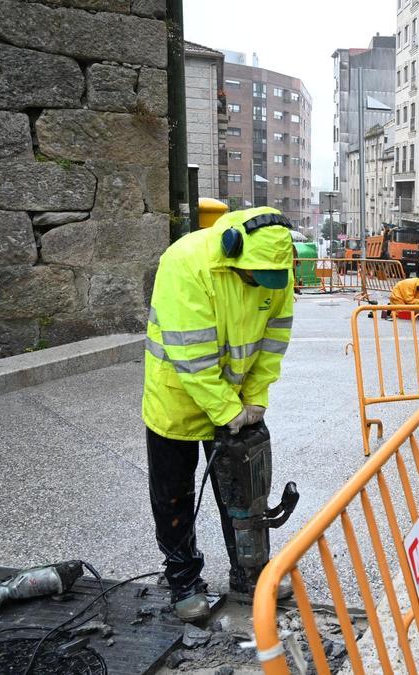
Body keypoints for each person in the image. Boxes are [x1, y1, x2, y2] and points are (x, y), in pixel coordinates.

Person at [142, 206, 295, 622]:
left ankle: (252, 571)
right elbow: (191, 354)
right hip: (177, 396)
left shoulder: (275, 265)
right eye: (253, 277)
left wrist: (257, 397)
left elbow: (275, 336)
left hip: (238, 397)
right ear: (233, 252)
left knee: (247, 490)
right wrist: (227, 409)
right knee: (174, 492)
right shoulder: (185, 263)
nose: (262, 285)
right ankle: (183, 578)